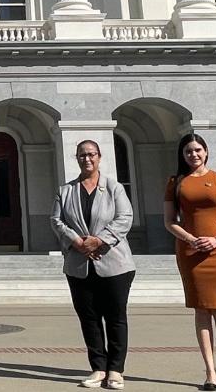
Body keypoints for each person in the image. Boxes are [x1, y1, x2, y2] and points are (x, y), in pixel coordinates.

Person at [51, 140, 136, 391]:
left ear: (99, 157)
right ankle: (98, 367)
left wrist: (99, 240)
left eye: (91, 154)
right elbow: (56, 220)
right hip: (79, 265)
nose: (86, 159)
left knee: (115, 317)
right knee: (89, 318)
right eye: (82, 155)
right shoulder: (66, 190)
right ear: (76, 158)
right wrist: (77, 241)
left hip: (114, 264)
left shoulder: (114, 188)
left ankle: (116, 369)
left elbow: (125, 218)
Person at [164, 133, 216, 392]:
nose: (193, 155)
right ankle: (210, 372)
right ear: (182, 155)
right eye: (188, 151)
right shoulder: (175, 182)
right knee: (201, 311)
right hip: (191, 252)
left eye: (198, 150)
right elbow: (169, 221)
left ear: (206, 151)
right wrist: (191, 239)